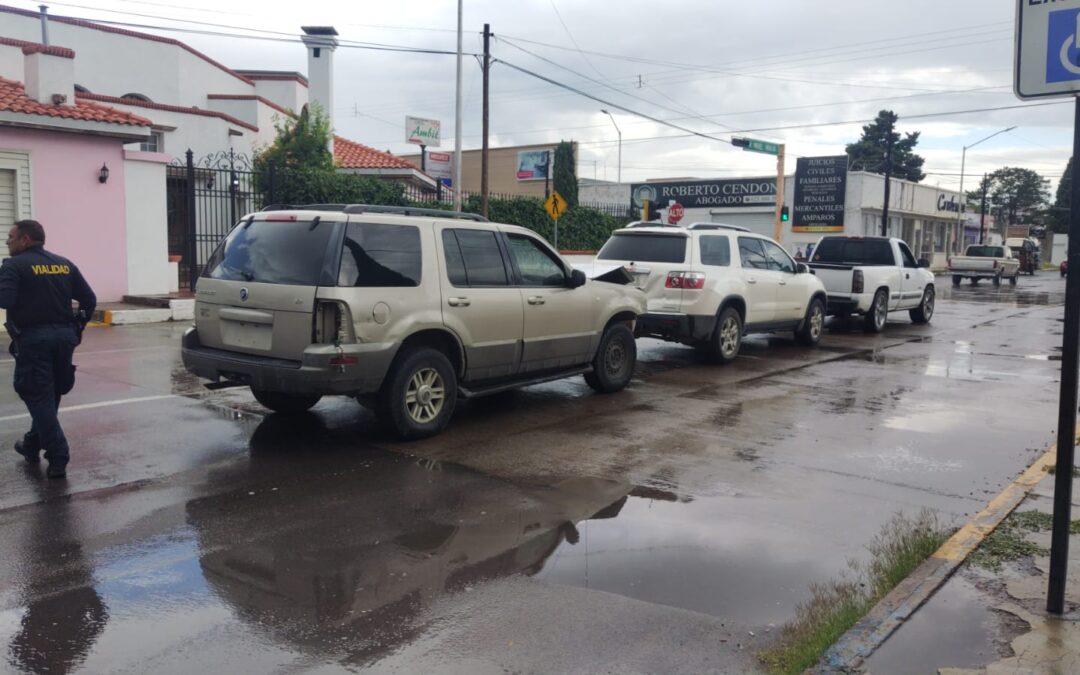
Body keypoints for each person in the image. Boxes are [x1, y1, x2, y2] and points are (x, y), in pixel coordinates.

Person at [0, 219, 95, 478]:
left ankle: (58, 454)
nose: (7, 241)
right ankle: (31, 444)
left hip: (34, 340)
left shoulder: (13, 266)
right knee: (50, 394)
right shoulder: (63, 263)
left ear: (25, 240)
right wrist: (78, 327)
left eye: (11, 237)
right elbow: (89, 299)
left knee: (37, 394)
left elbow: (5, 299)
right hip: (64, 338)